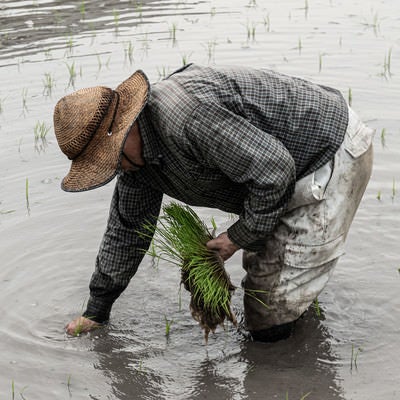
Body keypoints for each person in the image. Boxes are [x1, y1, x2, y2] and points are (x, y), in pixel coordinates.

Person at [53, 64, 374, 342]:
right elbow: (127, 231)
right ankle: (299, 317)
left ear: (125, 129)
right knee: (267, 283)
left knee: (267, 313)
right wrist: (96, 311)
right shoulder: (137, 166)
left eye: (109, 160)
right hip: (278, 174)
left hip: (326, 157)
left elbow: (275, 173)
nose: (114, 169)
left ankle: (283, 371)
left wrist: (235, 238)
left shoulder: (187, 119)